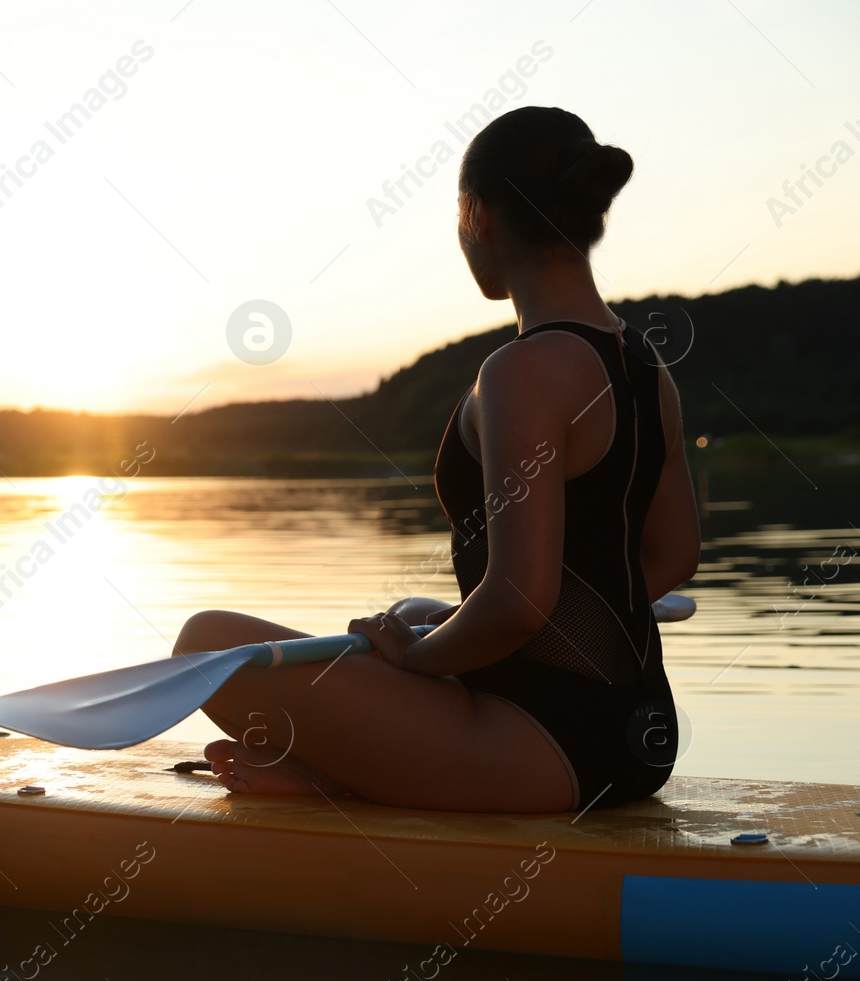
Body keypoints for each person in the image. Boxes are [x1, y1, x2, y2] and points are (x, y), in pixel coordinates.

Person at [173, 106, 700, 813]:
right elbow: (672, 556)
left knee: (205, 645)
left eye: (459, 215)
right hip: (638, 739)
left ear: (479, 216)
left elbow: (517, 603)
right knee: (416, 607)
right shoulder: (644, 366)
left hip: (545, 747)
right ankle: (336, 766)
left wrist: (415, 656)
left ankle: (331, 776)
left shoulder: (524, 372)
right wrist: (455, 625)